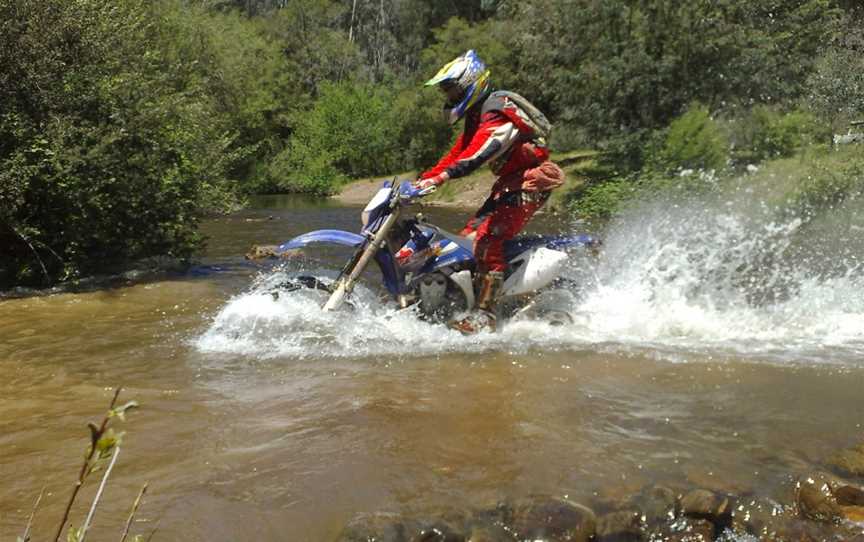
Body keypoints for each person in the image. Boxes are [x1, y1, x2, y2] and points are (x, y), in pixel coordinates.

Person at [413, 49, 565, 334]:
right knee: (467, 238)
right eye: (447, 92)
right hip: (509, 183)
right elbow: (459, 152)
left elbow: (481, 151)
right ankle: (457, 301)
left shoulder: (495, 108)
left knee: (487, 239)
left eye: (452, 90)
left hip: (529, 182)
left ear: (471, 83)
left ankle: (486, 315)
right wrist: (426, 179)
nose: (449, 97)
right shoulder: (477, 115)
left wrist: (444, 177)